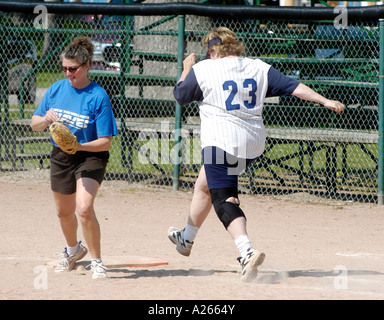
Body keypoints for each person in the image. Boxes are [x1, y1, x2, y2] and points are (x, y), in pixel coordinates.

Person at [168, 27, 345, 282]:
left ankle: (246, 252)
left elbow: (181, 95)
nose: (208, 55)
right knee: (204, 185)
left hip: (222, 141)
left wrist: (187, 67)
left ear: (215, 50)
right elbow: (292, 86)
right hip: (252, 143)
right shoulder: (257, 67)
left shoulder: (204, 68)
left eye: (209, 51)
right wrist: (324, 100)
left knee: (223, 198)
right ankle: (187, 237)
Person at [31, 36, 119, 279]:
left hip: (90, 156)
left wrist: (78, 146)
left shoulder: (98, 95)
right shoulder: (57, 88)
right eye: (64, 68)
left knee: (84, 208)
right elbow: (34, 124)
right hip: (61, 155)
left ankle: (97, 261)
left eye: (73, 69)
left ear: (87, 66)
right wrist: (46, 119)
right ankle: (73, 250)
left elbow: (106, 141)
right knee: (63, 213)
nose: (68, 73)